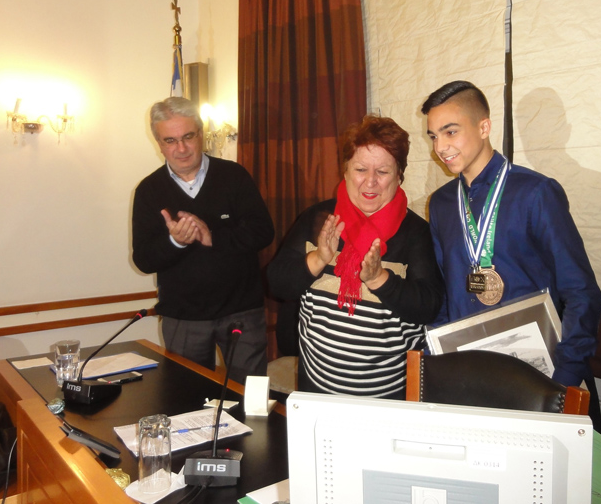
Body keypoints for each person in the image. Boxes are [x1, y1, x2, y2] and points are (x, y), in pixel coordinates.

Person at [422, 81, 601, 430]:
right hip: (471, 380)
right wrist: (438, 358)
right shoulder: (442, 204)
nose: (440, 147)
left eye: (450, 132)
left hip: (541, 380)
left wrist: (562, 382)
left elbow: (582, 292)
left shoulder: (536, 193)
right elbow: (445, 292)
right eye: (433, 136)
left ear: (484, 127)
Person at [267, 115, 444, 400]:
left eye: (383, 171)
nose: (370, 182)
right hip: (317, 391)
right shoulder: (317, 219)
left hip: (387, 397)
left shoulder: (416, 233)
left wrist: (379, 279)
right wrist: (318, 258)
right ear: (346, 171)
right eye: (361, 169)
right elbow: (277, 284)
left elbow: (429, 307)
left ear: (399, 175)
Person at [132, 97, 274, 384]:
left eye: (188, 137)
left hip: (241, 314)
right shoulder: (148, 190)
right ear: (159, 144)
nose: (181, 148)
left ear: (201, 134)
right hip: (183, 318)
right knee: (187, 398)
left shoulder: (233, 175)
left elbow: (263, 231)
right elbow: (144, 259)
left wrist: (212, 237)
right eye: (170, 140)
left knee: (250, 398)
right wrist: (175, 242)